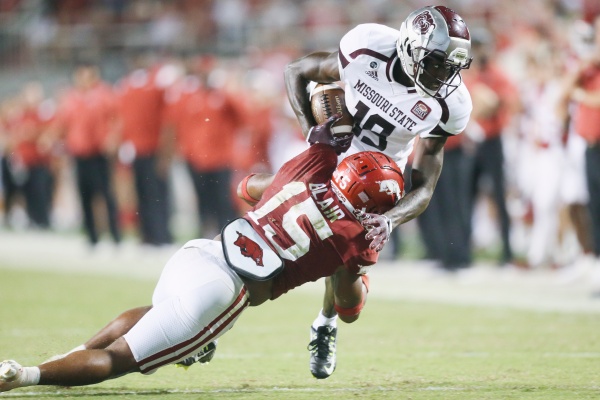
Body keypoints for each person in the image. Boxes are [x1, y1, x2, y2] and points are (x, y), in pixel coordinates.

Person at [0, 115, 405, 392]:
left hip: (198, 253)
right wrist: (361, 267)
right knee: (118, 361)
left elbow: (246, 187)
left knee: (156, 317)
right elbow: (349, 307)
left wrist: (285, 180)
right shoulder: (355, 238)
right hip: (224, 290)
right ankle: (24, 375)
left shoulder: (312, 165)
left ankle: (68, 359)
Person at [283, 5, 472, 378]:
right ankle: (210, 315)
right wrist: (311, 133)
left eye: (451, 67)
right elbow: (297, 71)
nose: (443, 75)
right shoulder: (367, 47)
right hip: (332, 154)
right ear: (409, 48)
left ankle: (326, 322)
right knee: (270, 221)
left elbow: (425, 183)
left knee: (347, 304)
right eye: (436, 62)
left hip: (374, 184)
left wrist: (389, 219)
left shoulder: (450, 104)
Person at [43, 62, 122, 248]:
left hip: (99, 153)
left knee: (105, 194)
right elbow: (61, 123)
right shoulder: (71, 98)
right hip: (79, 153)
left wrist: (113, 138)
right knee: (84, 194)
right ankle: (92, 236)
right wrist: (49, 137)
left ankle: (115, 236)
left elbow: (117, 119)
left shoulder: (105, 94)